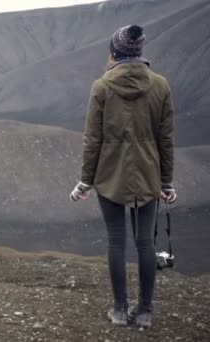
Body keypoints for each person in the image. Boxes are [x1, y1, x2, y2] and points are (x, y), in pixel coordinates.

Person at [70, 24, 177, 328]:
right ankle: (144, 312)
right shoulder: (160, 86)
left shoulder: (101, 87)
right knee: (145, 242)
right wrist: (166, 181)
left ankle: (119, 311)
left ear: (114, 52)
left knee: (116, 241)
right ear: (139, 51)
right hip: (148, 174)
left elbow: (92, 139)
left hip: (109, 175)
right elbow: (166, 138)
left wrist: (85, 181)